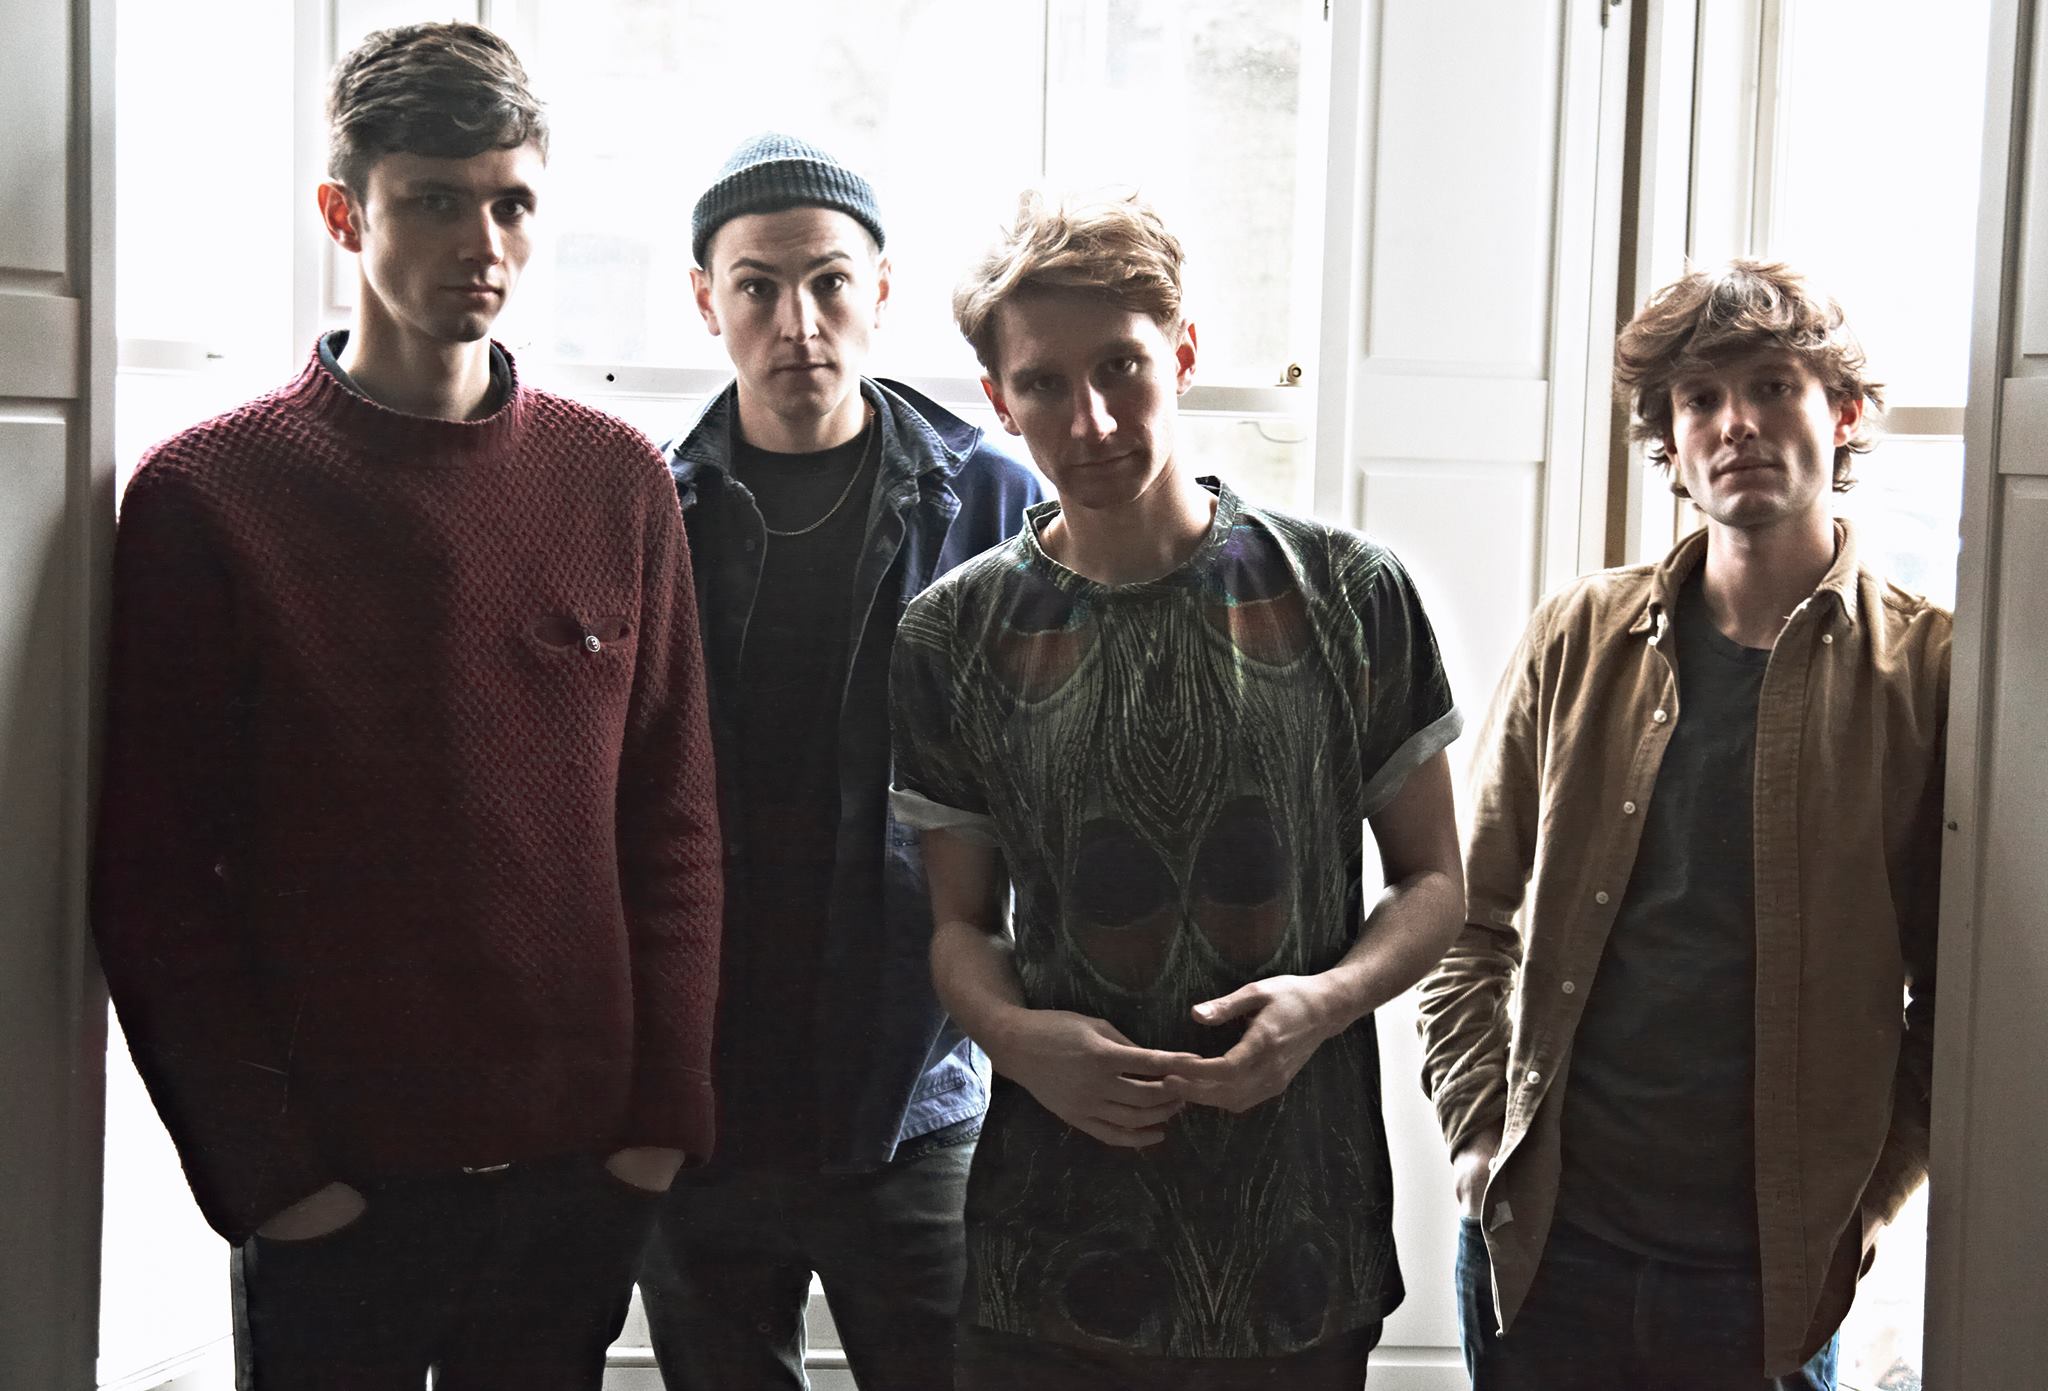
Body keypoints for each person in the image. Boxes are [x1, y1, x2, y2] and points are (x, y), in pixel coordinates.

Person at [92, 23, 721, 1389]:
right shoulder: (207, 495)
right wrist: (269, 1173)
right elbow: (154, 873)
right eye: (436, 200)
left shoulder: (617, 480)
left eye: (511, 203)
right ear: (345, 213)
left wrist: (657, 1125)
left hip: (576, 1176)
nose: (482, 242)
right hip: (336, 1190)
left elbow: (671, 822)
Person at [887, 189, 1466, 1390]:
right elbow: (959, 925)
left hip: (1295, 1236)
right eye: (1043, 383)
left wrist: (1322, 1002)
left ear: (1183, 353)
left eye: (1121, 366)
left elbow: (1433, 883)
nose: (1090, 419)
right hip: (1052, 1245)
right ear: (996, 398)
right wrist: (1018, 1040)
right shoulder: (952, 634)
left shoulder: (1348, 591)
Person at [1416, 260, 1948, 1389]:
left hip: (1765, 1271)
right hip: (1546, 1245)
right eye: (1700, 398)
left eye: (1771, 386)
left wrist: (1868, 1199)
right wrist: (1475, 1134)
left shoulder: (1928, 669)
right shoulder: (1579, 633)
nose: (1734, 422)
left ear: (1843, 412)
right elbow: (1465, 911)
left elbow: (1959, 1000)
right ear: (1668, 437)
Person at [634, 133, 1042, 1391]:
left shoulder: (988, 497)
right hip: (704, 1092)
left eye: (827, 282)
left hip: (910, 1078)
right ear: (705, 299)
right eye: (756, 286)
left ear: (881, 290)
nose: (796, 321)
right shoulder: (652, 507)